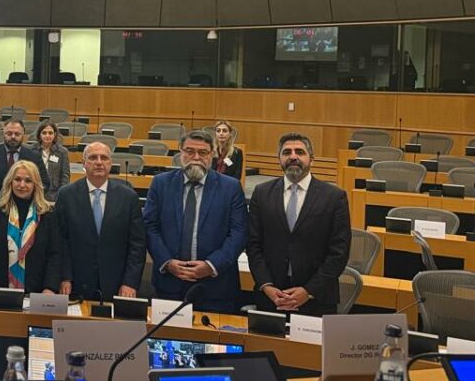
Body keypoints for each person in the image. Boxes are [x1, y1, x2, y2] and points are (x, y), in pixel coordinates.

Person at [247, 132, 351, 316]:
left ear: (312, 159)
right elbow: (253, 244)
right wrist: (267, 286)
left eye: (300, 152)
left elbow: (339, 252)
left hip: (316, 299)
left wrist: (308, 291)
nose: (293, 156)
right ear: (279, 159)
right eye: (287, 152)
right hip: (271, 297)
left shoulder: (334, 197)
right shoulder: (261, 193)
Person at [143, 130, 247, 312]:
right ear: (180, 152)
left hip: (216, 287)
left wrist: (211, 265)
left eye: (203, 152)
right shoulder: (160, 183)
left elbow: (238, 233)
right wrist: (167, 262)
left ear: (212, 154)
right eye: (190, 151)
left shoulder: (231, 187)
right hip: (169, 285)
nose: (196, 157)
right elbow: (150, 227)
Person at [55, 141, 146, 301]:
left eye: (104, 158)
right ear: (83, 163)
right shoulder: (66, 195)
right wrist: (65, 277)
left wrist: (130, 282)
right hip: (76, 283)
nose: (98, 162)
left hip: (117, 283)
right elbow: (60, 241)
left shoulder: (128, 197)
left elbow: (137, 245)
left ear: (110, 163)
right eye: (93, 158)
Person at [0, 160, 63, 296]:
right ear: (10, 182)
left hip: (37, 291)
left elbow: (55, 254)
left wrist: (50, 287)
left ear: (36, 184)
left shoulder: (48, 214)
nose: (22, 185)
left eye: (28, 181)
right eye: (17, 179)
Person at [0, 119, 50, 198]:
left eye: (17, 134)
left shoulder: (34, 156)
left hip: (26, 202)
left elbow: (44, 183)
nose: (13, 137)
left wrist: (27, 196)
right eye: (9, 133)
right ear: (3, 133)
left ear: (23, 134)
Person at [34, 121, 70, 201]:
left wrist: (61, 195)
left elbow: (65, 176)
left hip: (54, 195)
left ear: (55, 134)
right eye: (44, 133)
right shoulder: (31, 150)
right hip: (34, 193)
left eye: (50, 133)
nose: (47, 135)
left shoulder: (62, 152)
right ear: (39, 134)